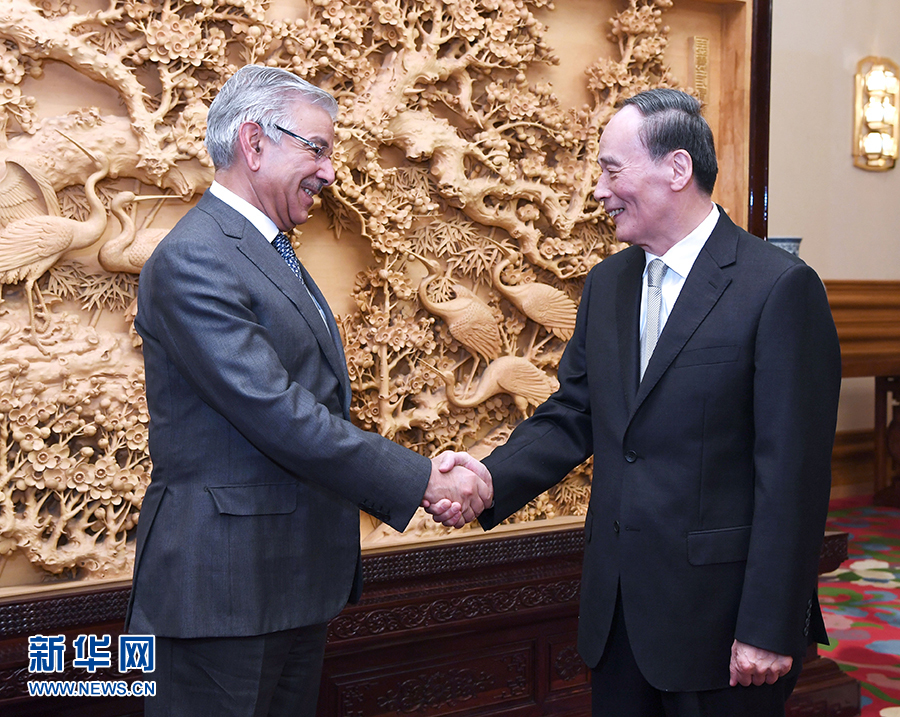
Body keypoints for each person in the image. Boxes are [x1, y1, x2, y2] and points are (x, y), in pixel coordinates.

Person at [440, 88, 841, 716]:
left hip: (723, 625)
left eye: (611, 169)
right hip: (618, 615)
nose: (598, 190)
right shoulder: (609, 282)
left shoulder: (779, 288)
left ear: (676, 169)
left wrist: (769, 624)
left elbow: (793, 475)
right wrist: (488, 479)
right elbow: (575, 412)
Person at [125, 65, 490, 717]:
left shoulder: (267, 251)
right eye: (316, 149)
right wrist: (422, 480)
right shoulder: (196, 257)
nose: (329, 171)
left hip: (286, 583)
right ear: (254, 142)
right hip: (221, 594)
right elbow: (278, 412)